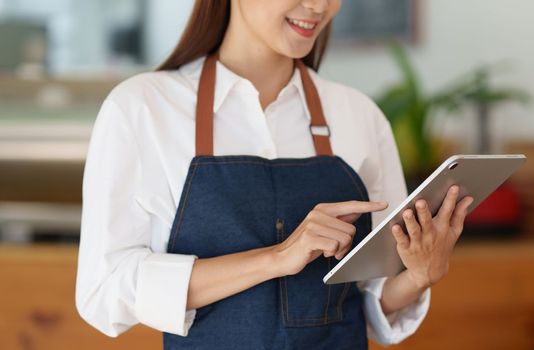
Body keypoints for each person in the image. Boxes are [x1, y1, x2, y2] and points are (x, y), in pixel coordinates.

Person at [75, 0, 473, 349]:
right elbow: (105, 288)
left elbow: (365, 302)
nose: (319, 6)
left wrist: (419, 275)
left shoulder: (359, 116)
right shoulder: (143, 109)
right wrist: (277, 258)